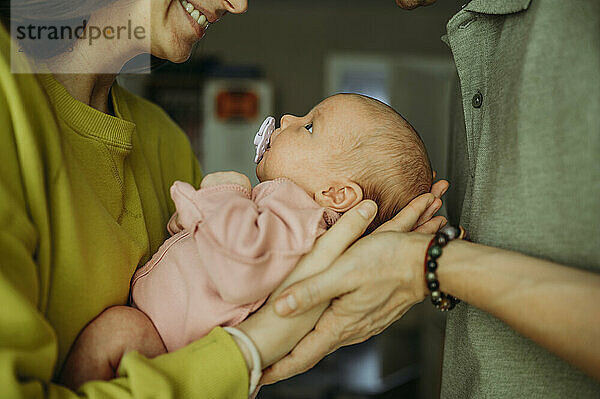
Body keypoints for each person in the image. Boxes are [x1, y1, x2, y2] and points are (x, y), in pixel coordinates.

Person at [0, 1, 446, 397]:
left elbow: (228, 279)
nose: (239, 3)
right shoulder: (9, 99)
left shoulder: (165, 142)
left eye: (308, 125)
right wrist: (260, 342)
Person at [264, 0, 600, 397]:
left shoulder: (580, 24)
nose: (287, 120)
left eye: (308, 126)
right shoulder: (471, 42)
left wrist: (425, 262)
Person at [58, 93, 438, 389]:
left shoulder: (294, 213)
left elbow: (240, 272)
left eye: (308, 127)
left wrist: (222, 192)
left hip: (175, 346)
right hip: (179, 341)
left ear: (336, 195)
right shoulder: (285, 217)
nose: (287, 119)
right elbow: (215, 248)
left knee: (111, 334)